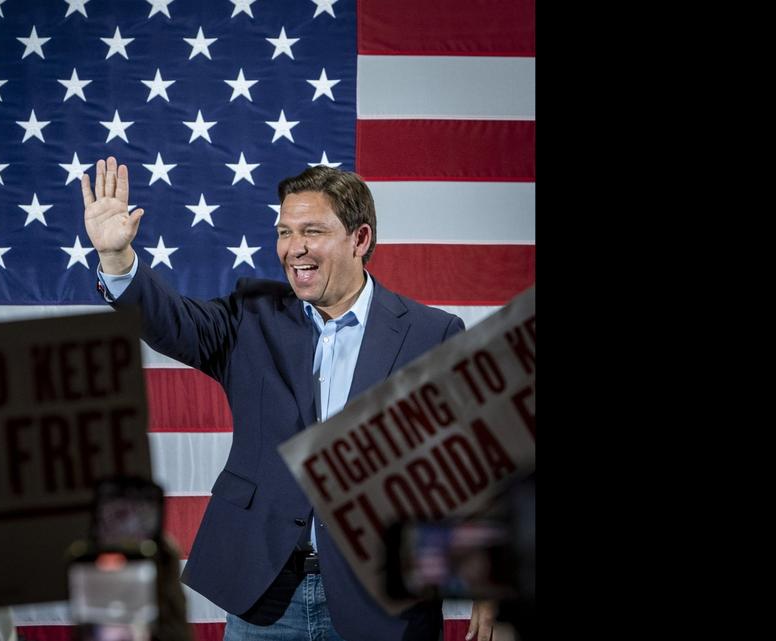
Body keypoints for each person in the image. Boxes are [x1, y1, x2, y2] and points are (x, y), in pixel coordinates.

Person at [80, 156, 499, 641]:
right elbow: (172, 322)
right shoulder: (252, 315)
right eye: (284, 231)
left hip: (380, 603)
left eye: (312, 231)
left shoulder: (432, 333)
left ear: (359, 239)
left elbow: (473, 467)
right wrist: (117, 261)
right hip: (266, 597)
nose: (293, 248)